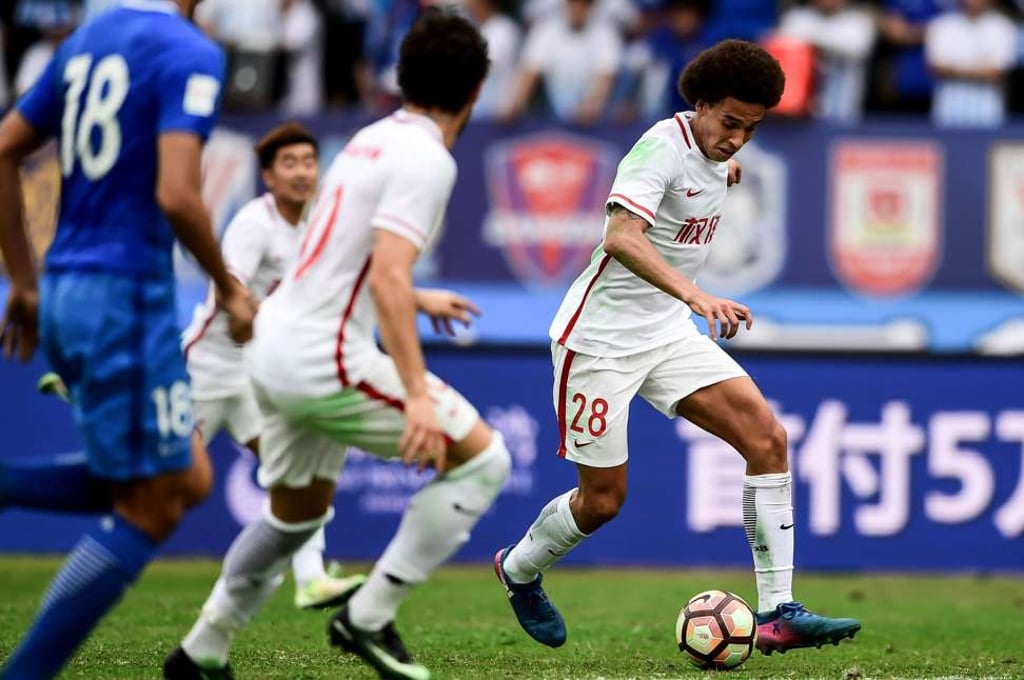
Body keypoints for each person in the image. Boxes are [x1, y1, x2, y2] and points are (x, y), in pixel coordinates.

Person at [163, 12, 511, 680]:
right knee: (485, 460)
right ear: (474, 91)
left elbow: (344, 264)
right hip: (322, 356)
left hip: (272, 348)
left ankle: (202, 649)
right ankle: (369, 615)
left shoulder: (367, 140)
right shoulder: (428, 159)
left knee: (295, 519)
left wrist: (417, 297)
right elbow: (384, 276)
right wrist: (414, 395)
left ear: (402, 77)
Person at [493, 39, 862, 656]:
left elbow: (708, 170)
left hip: (663, 332)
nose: (738, 138)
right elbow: (620, 237)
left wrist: (725, 164)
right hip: (599, 344)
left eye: (751, 128)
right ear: (700, 104)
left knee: (767, 438)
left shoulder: (716, 156)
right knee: (604, 501)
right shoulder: (658, 149)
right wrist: (697, 296)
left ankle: (778, 611)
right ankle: (520, 569)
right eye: (729, 123)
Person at [0, 1, 256, 678]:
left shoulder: (89, 38)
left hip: (65, 288)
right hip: (123, 300)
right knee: (153, 503)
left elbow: (5, 147)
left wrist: (23, 282)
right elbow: (177, 193)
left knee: (189, 476)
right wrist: (229, 286)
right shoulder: (189, 51)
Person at [181, 121, 365, 611]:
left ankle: (311, 578)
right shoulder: (253, 223)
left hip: (256, 375)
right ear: (268, 176)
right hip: (207, 367)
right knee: (154, 477)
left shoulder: (316, 225)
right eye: (290, 163)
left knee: (299, 472)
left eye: (309, 161)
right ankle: (112, 407)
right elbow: (231, 293)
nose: (302, 172)